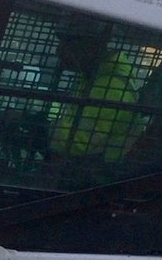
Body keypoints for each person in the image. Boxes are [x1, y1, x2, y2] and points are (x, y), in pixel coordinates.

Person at [49, 27, 145, 170]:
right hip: (87, 165)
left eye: (67, 45)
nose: (59, 52)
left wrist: (41, 130)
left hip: (98, 173)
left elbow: (79, 143)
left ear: (88, 48)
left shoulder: (111, 88)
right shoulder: (94, 76)